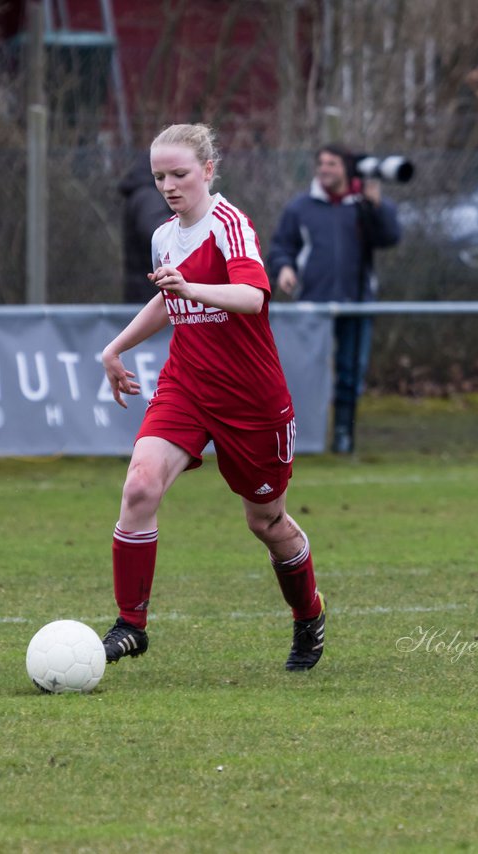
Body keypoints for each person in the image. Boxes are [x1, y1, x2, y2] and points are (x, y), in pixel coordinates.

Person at [99, 123, 326, 672]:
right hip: (187, 384)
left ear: (208, 170)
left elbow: (252, 296)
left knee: (266, 522)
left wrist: (190, 288)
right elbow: (167, 301)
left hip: (250, 398)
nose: (169, 186)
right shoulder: (164, 235)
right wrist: (115, 348)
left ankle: (308, 613)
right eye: (159, 177)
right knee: (140, 485)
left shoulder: (230, 225)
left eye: (179, 174)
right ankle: (131, 624)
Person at [267, 143, 401, 454]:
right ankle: (298, 435)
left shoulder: (363, 204)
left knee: (351, 371)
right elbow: (281, 246)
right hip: (313, 304)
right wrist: (284, 268)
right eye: (322, 163)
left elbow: (390, 237)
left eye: (333, 164)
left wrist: (377, 206)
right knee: (306, 371)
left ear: (347, 168)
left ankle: (343, 434)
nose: (325, 169)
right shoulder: (301, 207)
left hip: (356, 302)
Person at [118, 152, 176, 303]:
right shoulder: (148, 197)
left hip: (147, 291)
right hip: (151, 293)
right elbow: (159, 232)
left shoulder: (144, 194)